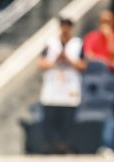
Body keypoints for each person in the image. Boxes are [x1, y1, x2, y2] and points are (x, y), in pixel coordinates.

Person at [37, 17, 86, 154]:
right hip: (52, 90)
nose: (65, 29)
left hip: (69, 90)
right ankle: (50, 148)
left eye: (68, 26)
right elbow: (40, 64)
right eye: (63, 26)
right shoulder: (51, 43)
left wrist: (68, 60)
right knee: (50, 125)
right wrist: (56, 60)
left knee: (67, 125)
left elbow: (83, 66)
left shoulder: (77, 44)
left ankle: (66, 147)